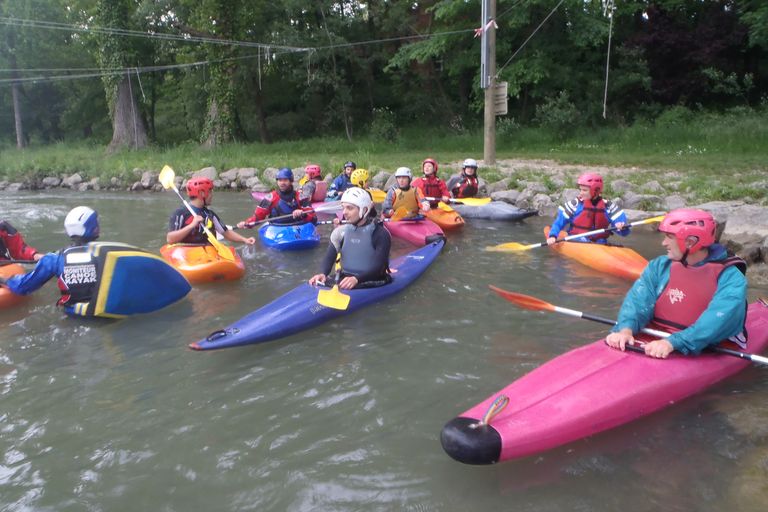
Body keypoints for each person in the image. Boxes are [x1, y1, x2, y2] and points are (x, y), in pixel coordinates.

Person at [605, 209, 748, 359]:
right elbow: (638, 301)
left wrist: (672, 343)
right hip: (658, 335)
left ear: (690, 242)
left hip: (708, 343)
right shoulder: (660, 266)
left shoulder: (730, 277)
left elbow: (718, 318)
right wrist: (625, 330)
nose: (663, 243)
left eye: (669, 237)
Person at [309, 187, 391, 290]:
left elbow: (378, 266)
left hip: (373, 280)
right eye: (343, 208)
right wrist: (322, 273)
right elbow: (329, 257)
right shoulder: (339, 232)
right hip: (347, 277)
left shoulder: (380, 234)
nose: (344, 212)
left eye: (350, 208)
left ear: (364, 210)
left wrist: (357, 279)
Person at [546, 172, 628, 245]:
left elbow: (624, 232)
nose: (581, 193)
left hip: (599, 242)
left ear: (595, 191)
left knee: (601, 241)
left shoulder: (609, 207)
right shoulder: (574, 205)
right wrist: (553, 235)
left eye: (584, 190)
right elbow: (558, 223)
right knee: (583, 239)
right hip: (576, 240)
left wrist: (621, 227)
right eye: (580, 190)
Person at [168, 177, 255, 245]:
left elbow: (225, 232)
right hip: (186, 253)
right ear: (202, 193)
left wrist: (244, 240)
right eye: (209, 191)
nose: (212, 195)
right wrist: (191, 225)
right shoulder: (180, 213)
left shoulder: (209, 214)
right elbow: (170, 239)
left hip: (207, 253)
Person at [237, 168, 316, 228]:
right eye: (280, 180)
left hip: (298, 227)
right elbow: (258, 217)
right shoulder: (270, 198)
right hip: (277, 227)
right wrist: (247, 223)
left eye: (285, 180)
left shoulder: (301, 197)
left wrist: (303, 214)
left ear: (291, 181)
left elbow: (313, 219)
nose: (282, 183)